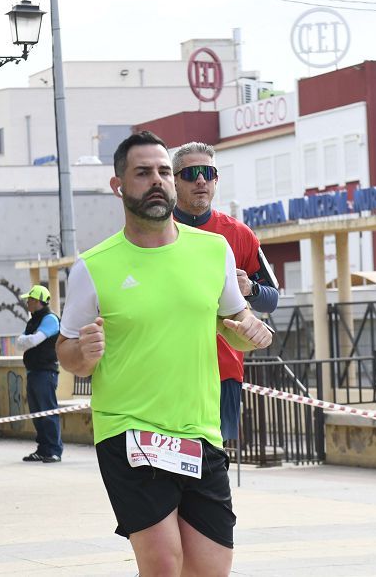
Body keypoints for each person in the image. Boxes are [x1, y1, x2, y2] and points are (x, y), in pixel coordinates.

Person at [57, 130, 273, 576]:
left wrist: (251, 330)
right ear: (119, 186)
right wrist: (84, 353)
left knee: (210, 569)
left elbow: (234, 324)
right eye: (142, 173)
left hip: (199, 433)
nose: (156, 181)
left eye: (161, 172)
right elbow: (66, 350)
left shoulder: (215, 251)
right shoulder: (94, 267)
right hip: (130, 433)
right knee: (163, 563)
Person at [172, 141, 280, 443]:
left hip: (224, 371)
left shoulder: (239, 234)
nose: (201, 180)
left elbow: (272, 297)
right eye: (191, 173)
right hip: (169, 370)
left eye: (208, 172)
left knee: (215, 463)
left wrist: (249, 287)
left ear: (216, 180)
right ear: (174, 180)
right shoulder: (157, 232)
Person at [14, 284, 63, 463]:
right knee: (37, 413)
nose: (27, 302)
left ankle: (54, 450)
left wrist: (25, 340)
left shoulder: (50, 319)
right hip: (34, 371)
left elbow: (34, 340)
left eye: (30, 299)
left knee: (48, 412)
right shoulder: (33, 320)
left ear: (38, 301)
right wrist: (25, 340)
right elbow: (20, 343)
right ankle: (43, 449)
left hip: (45, 372)